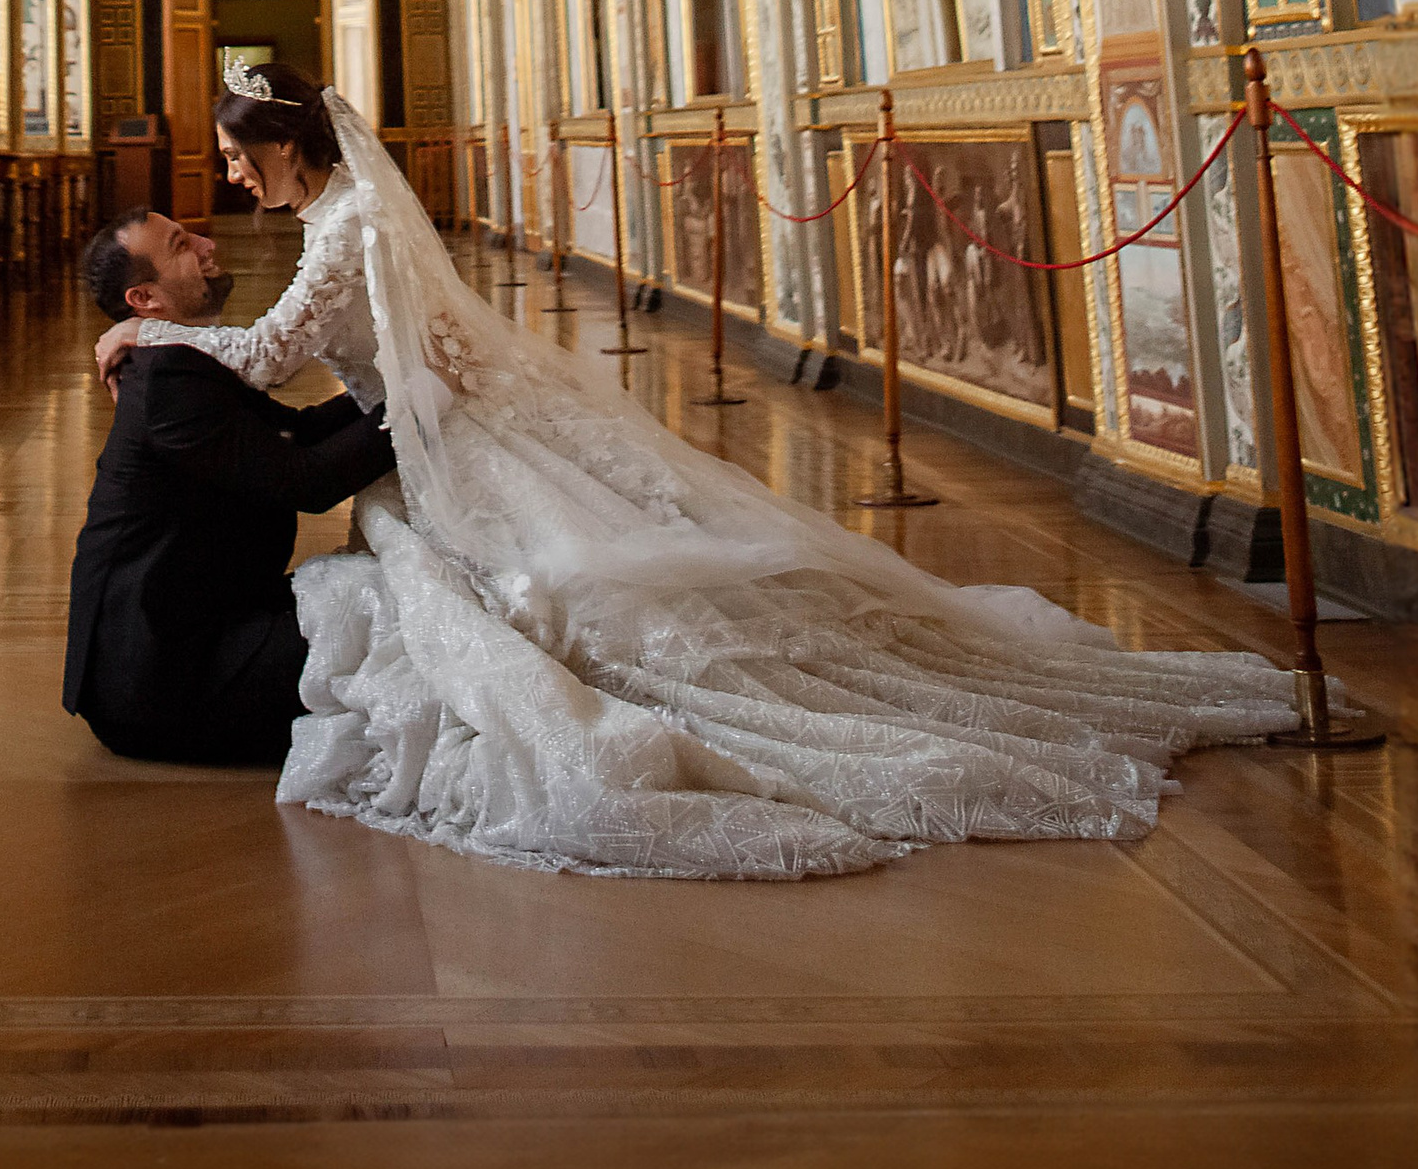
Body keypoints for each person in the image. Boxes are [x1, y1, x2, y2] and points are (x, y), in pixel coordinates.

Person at [87, 57, 1315, 880]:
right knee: (550, 586)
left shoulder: (346, 223)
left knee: (566, 598)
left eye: (235, 156)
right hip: (431, 429)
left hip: (447, 437)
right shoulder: (338, 212)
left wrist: (151, 329)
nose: (230, 176)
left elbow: (260, 353)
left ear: (278, 144)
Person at [65, 207, 393, 770]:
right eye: (180, 244)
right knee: (400, 629)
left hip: (214, 620)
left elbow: (300, 431)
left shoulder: (177, 361)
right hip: (168, 677)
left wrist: (389, 386)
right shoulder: (165, 382)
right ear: (145, 300)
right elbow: (307, 481)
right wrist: (413, 407)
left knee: (398, 610)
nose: (206, 242)